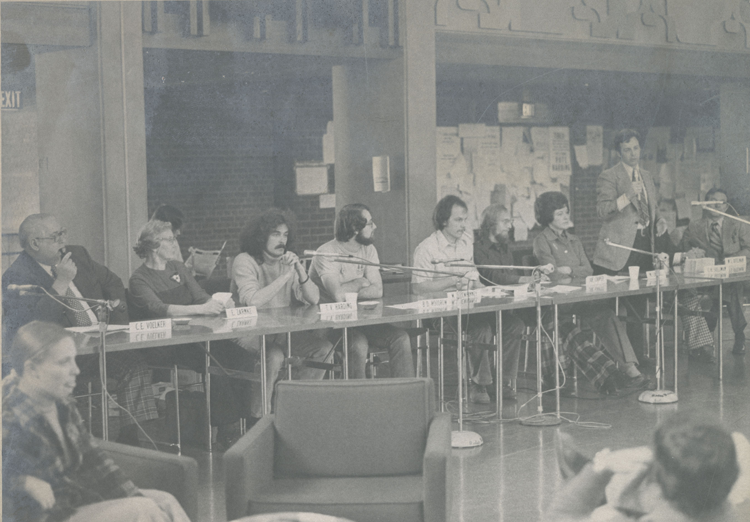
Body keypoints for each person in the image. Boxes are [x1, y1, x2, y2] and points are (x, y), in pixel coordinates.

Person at [2, 321, 190, 522]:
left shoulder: (62, 403)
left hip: (71, 500)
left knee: (163, 501)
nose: (76, 370)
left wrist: (134, 497)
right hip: (43, 516)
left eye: (74, 360)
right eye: (63, 362)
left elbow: (95, 462)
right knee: (142, 508)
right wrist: (22, 482)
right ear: (32, 369)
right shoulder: (9, 415)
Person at [1, 214, 157, 446]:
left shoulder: (78, 254)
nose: (64, 241)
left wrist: (117, 322)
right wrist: (61, 282)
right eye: (56, 237)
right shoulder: (17, 276)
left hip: (99, 344)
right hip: (59, 357)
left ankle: (132, 441)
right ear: (35, 244)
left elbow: (113, 282)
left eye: (63, 233)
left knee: (135, 365)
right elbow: (34, 328)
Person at [128, 220, 253, 447]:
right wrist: (201, 309)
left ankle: (248, 421)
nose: (176, 243)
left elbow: (200, 295)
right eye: (170, 239)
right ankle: (227, 429)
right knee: (216, 363)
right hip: (165, 345)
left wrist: (219, 304)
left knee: (242, 358)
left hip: (198, 337)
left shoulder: (178, 267)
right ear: (154, 246)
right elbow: (159, 309)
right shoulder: (139, 279)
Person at [473, 203, 621, 395]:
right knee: (555, 322)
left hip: (516, 305)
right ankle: (601, 372)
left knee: (555, 320)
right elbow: (491, 278)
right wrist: (524, 279)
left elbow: (511, 279)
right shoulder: (477, 250)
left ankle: (565, 377)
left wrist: (532, 281)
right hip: (493, 309)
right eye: (505, 221)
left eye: (510, 221)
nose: (510, 226)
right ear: (491, 224)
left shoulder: (504, 249)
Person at [532, 193, 648, 389]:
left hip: (580, 298)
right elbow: (551, 274)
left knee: (606, 314)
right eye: (559, 214)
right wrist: (569, 272)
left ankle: (630, 370)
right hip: (557, 303)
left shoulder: (574, 240)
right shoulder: (541, 241)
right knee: (575, 322)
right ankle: (606, 372)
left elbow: (588, 269)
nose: (566, 217)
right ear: (547, 217)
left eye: (566, 212)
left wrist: (568, 270)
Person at [412, 195, 522, 402]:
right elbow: (419, 287)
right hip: (441, 312)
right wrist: (452, 280)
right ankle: (478, 384)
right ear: (444, 220)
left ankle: (501, 381)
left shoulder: (465, 243)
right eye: (458, 220)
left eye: (465, 219)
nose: (464, 225)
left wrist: (483, 290)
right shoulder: (426, 248)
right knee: (481, 329)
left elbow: (473, 278)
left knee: (514, 324)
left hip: (470, 307)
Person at [546, 412, 749, 521]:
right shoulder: (726, 511)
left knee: (606, 507)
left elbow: (561, 516)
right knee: (738, 442)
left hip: (630, 502)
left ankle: (599, 487)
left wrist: (600, 469)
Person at [231, 209, 333, 415]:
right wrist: (286, 276)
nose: (282, 240)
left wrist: (299, 270)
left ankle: (295, 409)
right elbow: (253, 301)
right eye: (276, 234)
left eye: (285, 235)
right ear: (261, 237)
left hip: (280, 332)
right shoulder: (244, 260)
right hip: (249, 332)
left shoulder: (287, 262)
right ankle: (259, 418)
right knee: (275, 356)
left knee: (324, 349)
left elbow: (313, 298)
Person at [592, 129, 672, 363]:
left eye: (636, 148)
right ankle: (614, 360)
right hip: (617, 251)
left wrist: (660, 220)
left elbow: (652, 207)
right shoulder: (609, 176)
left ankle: (637, 358)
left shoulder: (646, 175)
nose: (633, 153)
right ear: (619, 152)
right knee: (613, 309)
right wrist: (627, 195)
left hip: (645, 245)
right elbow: (602, 210)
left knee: (638, 307)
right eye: (627, 149)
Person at [308, 204, 414, 379]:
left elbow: (377, 290)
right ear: (354, 228)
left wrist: (348, 289)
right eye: (370, 223)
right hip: (329, 324)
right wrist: (360, 282)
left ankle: (406, 396)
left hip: (360, 320)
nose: (375, 227)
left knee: (400, 337)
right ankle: (358, 401)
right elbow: (338, 296)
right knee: (357, 343)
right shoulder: (326, 253)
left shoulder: (368, 250)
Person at [678, 188, 750, 356]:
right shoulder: (695, 226)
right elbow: (685, 249)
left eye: (719, 202)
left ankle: (721, 330)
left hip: (735, 274)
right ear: (704, 205)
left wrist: (732, 259)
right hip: (707, 275)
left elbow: (749, 248)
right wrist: (695, 254)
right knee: (724, 289)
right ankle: (736, 333)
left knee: (731, 286)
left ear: (726, 206)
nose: (715, 205)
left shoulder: (737, 223)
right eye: (710, 201)